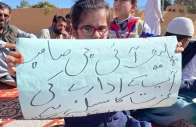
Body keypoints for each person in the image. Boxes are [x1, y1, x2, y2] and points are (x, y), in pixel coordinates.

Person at [6, 0, 184, 127]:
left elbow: (147, 68)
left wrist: (169, 53)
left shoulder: (119, 55)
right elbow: (41, 82)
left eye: (102, 28)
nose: (97, 34)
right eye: (88, 28)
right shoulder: (60, 59)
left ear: (109, 28)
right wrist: (18, 72)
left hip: (120, 121)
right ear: (74, 31)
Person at [134, 17, 196, 127]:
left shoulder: (193, 50)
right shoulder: (156, 48)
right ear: (186, 41)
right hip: (160, 96)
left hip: (183, 93)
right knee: (184, 109)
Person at [0, 2, 37, 86]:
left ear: (9, 18)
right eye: (0, 15)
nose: (2, 18)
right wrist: (11, 45)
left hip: (11, 67)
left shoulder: (12, 29)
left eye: (5, 15)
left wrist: (34, 43)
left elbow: (29, 36)